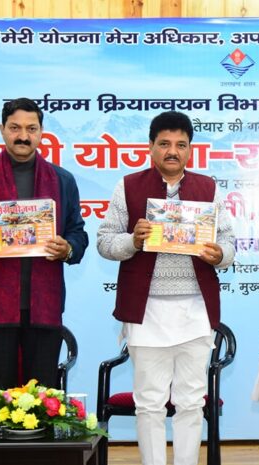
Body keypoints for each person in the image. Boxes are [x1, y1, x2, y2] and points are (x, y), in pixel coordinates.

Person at [97, 111, 234, 465]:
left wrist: (220, 254)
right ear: (150, 147)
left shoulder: (208, 188)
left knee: (191, 402)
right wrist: (132, 241)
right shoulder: (127, 186)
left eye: (181, 145)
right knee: (149, 403)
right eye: (164, 144)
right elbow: (105, 242)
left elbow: (229, 243)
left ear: (190, 149)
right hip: (146, 313)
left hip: (195, 310)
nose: (172, 151)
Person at [0, 97, 88, 393]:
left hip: (44, 305)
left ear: (41, 133)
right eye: (15, 128)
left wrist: (67, 248)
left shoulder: (62, 180)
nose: (23, 136)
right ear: (2, 130)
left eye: (31, 128)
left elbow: (78, 234)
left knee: (42, 394)